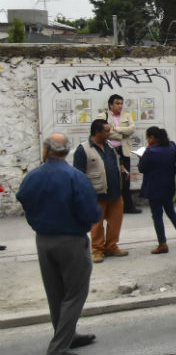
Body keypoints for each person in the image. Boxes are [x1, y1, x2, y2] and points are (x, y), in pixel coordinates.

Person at [17, 133, 102, 355]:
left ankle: (67, 335)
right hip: (71, 239)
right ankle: (58, 347)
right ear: (67, 152)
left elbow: (23, 197)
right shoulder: (75, 177)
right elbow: (92, 212)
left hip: (43, 239)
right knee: (75, 293)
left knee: (55, 293)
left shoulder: (33, 176)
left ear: (46, 151)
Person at [73, 118, 128, 263]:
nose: (109, 133)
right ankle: (97, 250)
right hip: (96, 193)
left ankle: (111, 246)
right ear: (97, 132)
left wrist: (122, 169)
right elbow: (78, 174)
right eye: (107, 131)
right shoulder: (83, 149)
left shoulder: (110, 145)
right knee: (97, 224)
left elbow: (117, 160)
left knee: (115, 221)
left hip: (115, 191)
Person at [137, 126, 176, 254]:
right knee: (171, 212)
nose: (148, 140)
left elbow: (141, 168)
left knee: (157, 216)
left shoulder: (150, 152)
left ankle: (162, 243)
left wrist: (142, 156)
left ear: (153, 138)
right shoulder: (171, 147)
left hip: (154, 187)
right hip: (169, 185)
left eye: (148, 138)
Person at [102, 94, 140, 214]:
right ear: (110, 105)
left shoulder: (127, 115)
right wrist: (122, 133)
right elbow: (104, 132)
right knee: (111, 179)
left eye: (121, 103)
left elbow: (132, 128)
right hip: (110, 151)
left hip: (124, 151)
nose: (120, 106)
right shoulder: (103, 116)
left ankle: (128, 207)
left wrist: (116, 129)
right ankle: (112, 207)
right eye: (117, 103)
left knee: (126, 179)